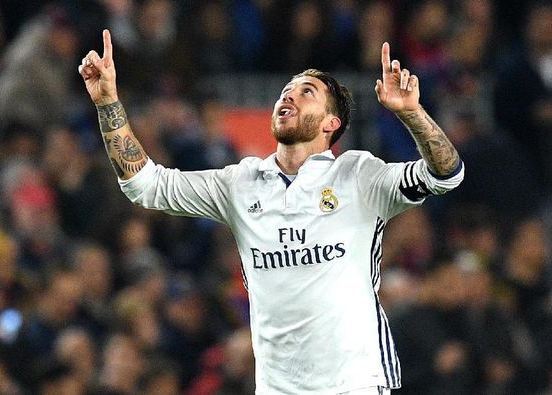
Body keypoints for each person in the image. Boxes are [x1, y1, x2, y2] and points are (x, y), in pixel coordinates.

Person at [78, 29, 463, 394]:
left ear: (332, 123)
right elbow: (144, 185)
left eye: (306, 92)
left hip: (355, 382)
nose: (289, 97)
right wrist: (108, 102)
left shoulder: (359, 176)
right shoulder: (240, 183)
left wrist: (412, 113)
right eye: (286, 91)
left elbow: (445, 175)